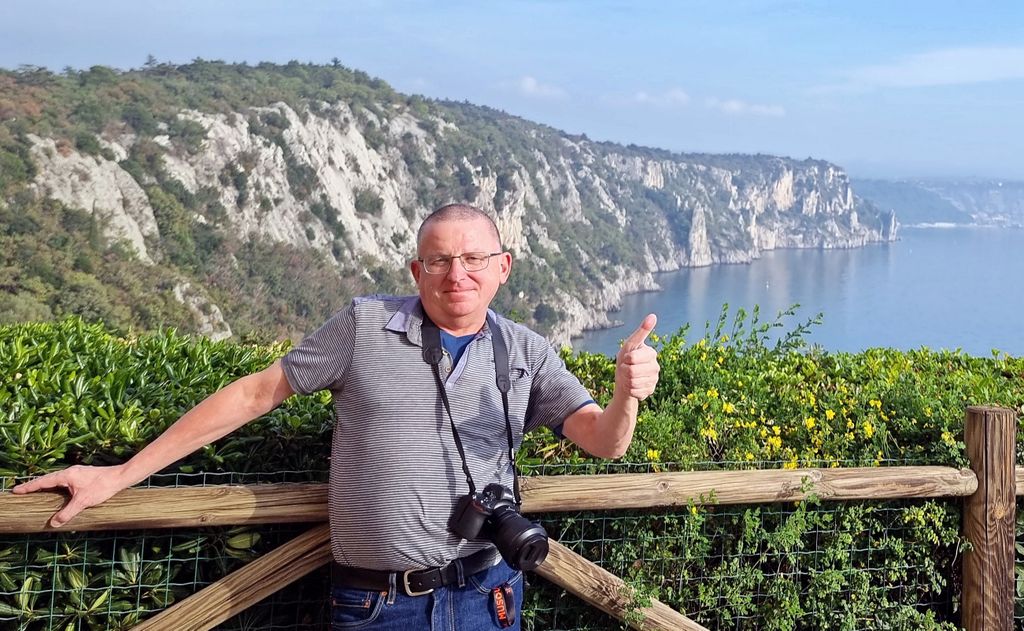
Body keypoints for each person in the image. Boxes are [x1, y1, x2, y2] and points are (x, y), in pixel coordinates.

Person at [13, 203, 660, 630]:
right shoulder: (366, 325)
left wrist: (626, 393)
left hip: (487, 596)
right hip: (377, 603)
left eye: (472, 260)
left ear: (502, 268)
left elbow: (602, 441)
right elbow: (253, 394)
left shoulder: (526, 350)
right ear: (417, 269)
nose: (456, 273)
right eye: (438, 260)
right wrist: (119, 475)